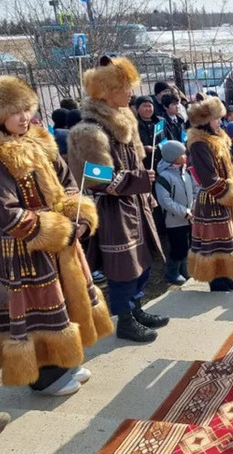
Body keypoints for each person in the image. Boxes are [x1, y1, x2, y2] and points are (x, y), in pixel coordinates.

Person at [0, 75, 113, 396]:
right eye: (14, 111)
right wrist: (56, 229)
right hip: (24, 248)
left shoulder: (40, 141)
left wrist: (79, 214)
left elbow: (67, 182)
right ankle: (45, 379)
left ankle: (67, 362)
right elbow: (6, 212)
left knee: (64, 301)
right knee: (38, 310)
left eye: (26, 109)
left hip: (59, 243)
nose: (24, 117)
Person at [67, 56, 169, 343]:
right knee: (123, 268)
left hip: (137, 205)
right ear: (107, 91)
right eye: (125, 88)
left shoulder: (125, 121)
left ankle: (135, 309)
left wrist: (142, 187)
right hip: (114, 211)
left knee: (143, 261)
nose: (131, 94)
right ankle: (124, 320)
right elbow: (96, 178)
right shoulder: (90, 131)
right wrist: (137, 180)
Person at [185, 98, 233, 293]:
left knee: (228, 241)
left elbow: (229, 168)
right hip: (212, 199)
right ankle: (217, 283)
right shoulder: (199, 144)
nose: (220, 122)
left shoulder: (219, 138)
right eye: (216, 118)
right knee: (214, 244)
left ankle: (227, 277)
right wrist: (230, 191)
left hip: (224, 197)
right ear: (205, 121)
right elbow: (208, 178)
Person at [155, 140, 196, 286]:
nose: (185, 156)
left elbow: (194, 190)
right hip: (174, 220)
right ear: (173, 157)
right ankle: (172, 272)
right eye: (182, 154)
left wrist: (193, 207)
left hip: (189, 218)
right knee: (177, 247)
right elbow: (165, 201)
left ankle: (184, 269)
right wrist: (184, 212)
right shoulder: (164, 177)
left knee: (187, 244)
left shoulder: (186, 172)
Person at [135, 95, 165, 169]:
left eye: (150, 106)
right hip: (144, 163)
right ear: (137, 108)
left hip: (161, 162)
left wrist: (159, 147)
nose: (148, 109)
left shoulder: (160, 121)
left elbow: (166, 138)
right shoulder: (134, 124)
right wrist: (143, 148)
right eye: (144, 106)